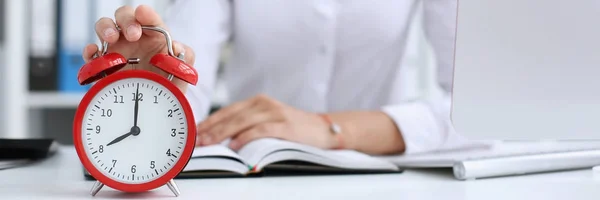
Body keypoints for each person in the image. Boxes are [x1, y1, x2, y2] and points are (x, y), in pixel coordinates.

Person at [83, 1, 459, 155]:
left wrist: (333, 129)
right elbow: (186, 73)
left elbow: (487, 110)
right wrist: (154, 91)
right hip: (253, 175)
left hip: (386, 179)